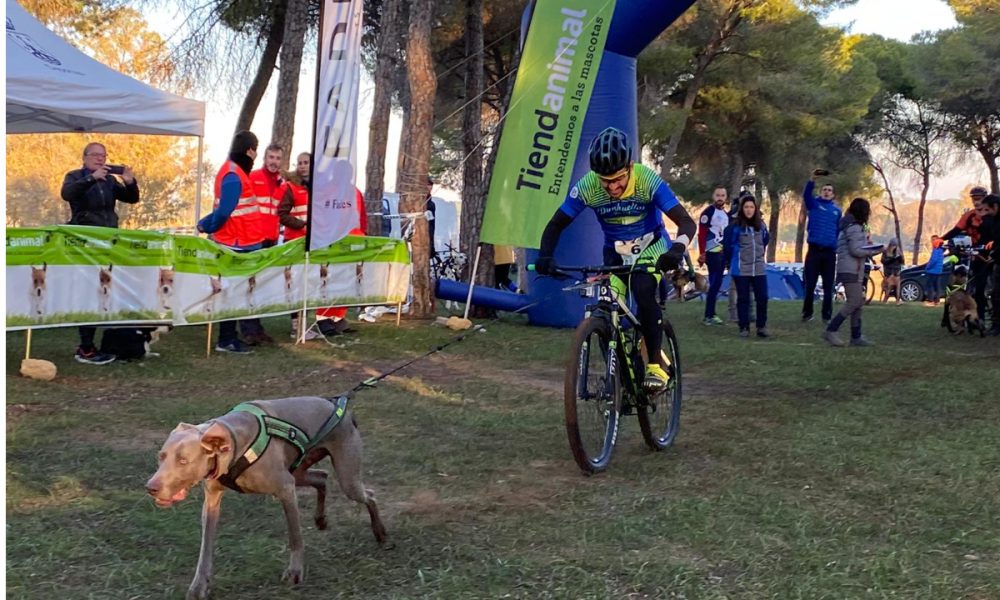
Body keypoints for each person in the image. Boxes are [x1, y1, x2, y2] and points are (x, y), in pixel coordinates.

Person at [535, 127, 696, 389]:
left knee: (643, 289)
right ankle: (621, 369)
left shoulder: (646, 179)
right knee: (604, 308)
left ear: (630, 167)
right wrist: (545, 254)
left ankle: (655, 365)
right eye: (605, 180)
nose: (612, 186)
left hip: (651, 247)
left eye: (618, 179)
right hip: (616, 252)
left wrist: (676, 250)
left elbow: (686, 222)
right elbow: (555, 225)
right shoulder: (588, 186)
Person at [61, 141, 140, 365]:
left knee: (105, 290)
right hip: (86, 241)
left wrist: (130, 182)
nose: (100, 159)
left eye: (103, 156)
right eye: (95, 155)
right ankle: (85, 346)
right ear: (84, 157)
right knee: (89, 291)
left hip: (109, 240)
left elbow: (132, 198)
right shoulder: (75, 176)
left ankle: (110, 341)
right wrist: (91, 178)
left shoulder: (110, 181)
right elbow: (67, 194)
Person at [197, 130, 266, 354]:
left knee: (236, 292)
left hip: (241, 239)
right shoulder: (234, 174)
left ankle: (229, 337)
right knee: (232, 293)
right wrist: (208, 225)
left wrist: (204, 223)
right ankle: (226, 338)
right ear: (250, 150)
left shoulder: (233, 172)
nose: (256, 156)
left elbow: (225, 208)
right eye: (256, 150)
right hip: (235, 241)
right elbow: (225, 210)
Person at [823, 198, 883, 347]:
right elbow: (856, 250)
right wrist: (879, 249)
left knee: (858, 303)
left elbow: (858, 246)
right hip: (850, 269)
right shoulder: (854, 227)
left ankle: (856, 336)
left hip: (852, 268)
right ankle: (831, 330)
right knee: (854, 302)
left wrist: (868, 246)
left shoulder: (850, 226)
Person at [276, 151, 320, 340]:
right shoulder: (291, 188)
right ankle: (296, 326)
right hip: (295, 241)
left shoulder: (318, 188)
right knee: (296, 284)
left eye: (306, 162)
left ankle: (305, 324)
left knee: (310, 284)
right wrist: (302, 225)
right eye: (299, 163)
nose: (302, 166)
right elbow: (282, 214)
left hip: (313, 242)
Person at [722, 194, 770, 338]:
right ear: (742, 209)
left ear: (755, 209)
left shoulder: (761, 226)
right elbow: (728, 246)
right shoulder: (734, 228)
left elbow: (765, 241)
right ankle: (744, 327)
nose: (749, 210)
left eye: (751, 207)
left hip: (759, 268)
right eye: (746, 207)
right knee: (743, 299)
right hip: (741, 269)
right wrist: (733, 261)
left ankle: (761, 327)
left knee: (762, 298)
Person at [942, 185, 990, 319]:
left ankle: (993, 321)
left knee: (990, 288)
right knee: (974, 287)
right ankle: (975, 316)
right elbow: (956, 230)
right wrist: (942, 239)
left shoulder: (992, 215)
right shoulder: (969, 216)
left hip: (992, 253)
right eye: (974, 199)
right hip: (977, 255)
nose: (976, 202)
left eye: (979, 198)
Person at [801, 170, 843, 323]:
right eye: (824, 190)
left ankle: (826, 315)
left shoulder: (837, 211)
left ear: (833, 194)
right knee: (810, 284)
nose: (827, 192)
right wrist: (811, 180)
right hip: (813, 251)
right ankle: (807, 313)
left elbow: (839, 230)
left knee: (828, 286)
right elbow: (806, 195)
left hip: (829, 254)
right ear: (821, 192)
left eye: (829, 190)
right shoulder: (814, 205)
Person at [697, 186, 730, 325]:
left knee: (717, 284)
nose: (720, 197)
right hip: (712, 252)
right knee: (715, 283)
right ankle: (708, 315)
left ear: (726, 197)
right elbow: (702, 234)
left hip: (723, 252)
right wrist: (702, 252)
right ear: (713, 196)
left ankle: (711, 313)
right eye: (718, 195)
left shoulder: (725, 214)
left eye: (722, 195)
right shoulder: (708, 212)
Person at [250, 143, 284, 247]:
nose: (274, 161)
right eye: (271, 157)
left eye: (278, 158)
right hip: (253, 236)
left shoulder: (283, 184)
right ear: (264, 159)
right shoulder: (252, 177)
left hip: (273, 238)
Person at [979, 194, 1000, 335]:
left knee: (997, 293)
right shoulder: (994, 220)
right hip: (998, 260)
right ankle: (997, 324)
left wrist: (995, 254)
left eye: (987, 210)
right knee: (995, 293)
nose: (985, 213)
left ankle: (997, 326)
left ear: (995, 206)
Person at [881, 238, 905, 303]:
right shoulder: (886, 251)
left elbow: (902, 261)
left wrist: (900, 258)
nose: (894, 247)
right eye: (893, 245)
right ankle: (885, 299)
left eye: (895, 245)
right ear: (890, 245)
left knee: (898, 285)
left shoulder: (898, 251)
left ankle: (897, 300)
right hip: (888, 271)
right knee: (889, 286)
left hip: (896, 271)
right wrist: (891, 259)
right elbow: (883, 261)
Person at [924, 235, 946, 306]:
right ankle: (937, 301)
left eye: (934, 240)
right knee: (937, 286)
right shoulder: (941, 249)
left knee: (930, 286)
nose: (932, 242)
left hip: (932, 270)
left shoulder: (936, 249)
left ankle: (931, 301)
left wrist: (927, 267)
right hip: (939, 271)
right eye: (932, 240)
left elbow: (934, 260)